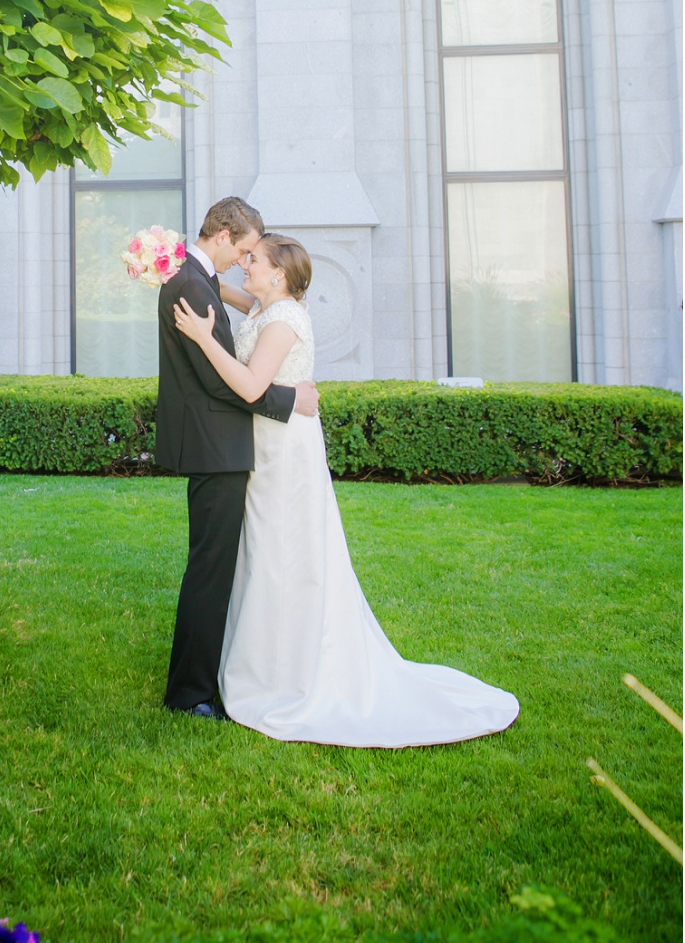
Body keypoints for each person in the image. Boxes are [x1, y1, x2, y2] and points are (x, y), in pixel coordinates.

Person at [173, 232, 519, 746]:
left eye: (255, 260)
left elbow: (249, 387)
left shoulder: (285, 319)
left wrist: (203, 338)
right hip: (263, 448)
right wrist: (182, 264)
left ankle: (288, 673)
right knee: (263, 556)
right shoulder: (266, 305)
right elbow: (232, 295)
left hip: (284, 455)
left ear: (279, 275)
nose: (245, 264)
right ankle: (258, 660)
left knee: (285, 556)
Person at [157, 197, 320, 719]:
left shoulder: (194, 279)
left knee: (229, 566)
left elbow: (245, 310)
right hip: (219, 444)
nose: (246, 261)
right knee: (211, 570)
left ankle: (215, 677)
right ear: (224, 237)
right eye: (246, 250)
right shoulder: (190, 283)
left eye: (257, 258)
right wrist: (289, 398)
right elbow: (222, 380)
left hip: (231, 445)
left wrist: (164, 257)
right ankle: (190, 693)